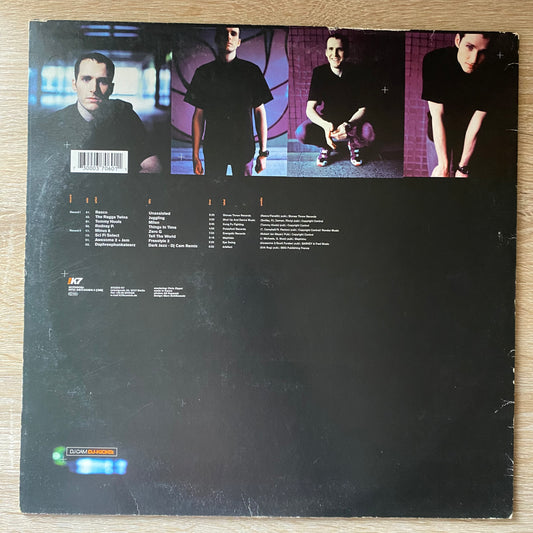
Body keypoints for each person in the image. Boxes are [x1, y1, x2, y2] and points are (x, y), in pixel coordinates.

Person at [38, 52, 161, 173]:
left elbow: (153, 164)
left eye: (102, 81)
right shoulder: (53, 123)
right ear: (74, 85)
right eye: (86, 79)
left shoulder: (126, 116)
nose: (94, 89)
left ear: (111, 89)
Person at [184, 26, 273, 177]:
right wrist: (195, 156)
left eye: (233, 33)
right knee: (214, 191)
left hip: (244, 148)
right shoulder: (204, 73)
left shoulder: (251, 71)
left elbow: (260, 112)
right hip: (214, 149)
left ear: (239, 41)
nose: (229, 37)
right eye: (224, 33)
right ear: (216, 39)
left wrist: (263, 153)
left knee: (243, 191)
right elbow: (198, 115)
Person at [295, 34, 374, 167]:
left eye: (339, 49)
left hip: (352, 123)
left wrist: (348, 125)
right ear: (326, 52)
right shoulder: (319, 73)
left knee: (369, 132)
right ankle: (326, 145)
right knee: (301, 132)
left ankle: (354, 144)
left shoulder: (357, 72)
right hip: (329, 122)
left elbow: (363, 109)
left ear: (346, 52)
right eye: (331, 49)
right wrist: (325, 125)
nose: (335, 54)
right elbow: (310, 109)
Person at [422, 33, 494, 178]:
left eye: (482, 52)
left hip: (470, 134)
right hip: (439, 129)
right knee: (439, 177)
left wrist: (463, 168)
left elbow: (477, 121)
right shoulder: (434, 61)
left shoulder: (492, 71)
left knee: (465, 183)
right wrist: (443, 165)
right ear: (457, 40)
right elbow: (437, 115)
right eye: (469, 47)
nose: (474, 59)